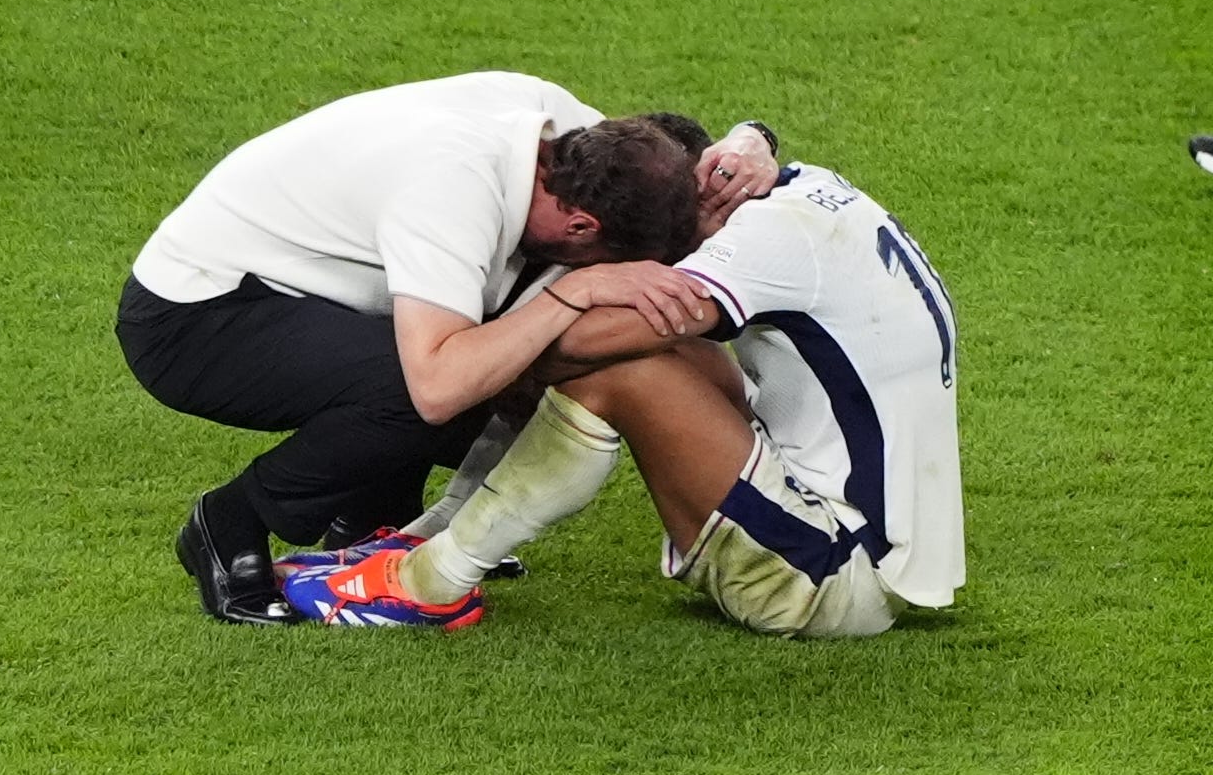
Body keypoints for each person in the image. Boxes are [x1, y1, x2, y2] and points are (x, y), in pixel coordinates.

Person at [116, 74, 780, 625]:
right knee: (428, 387)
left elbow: (692, 161)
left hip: (307, 288)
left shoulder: (589, 146)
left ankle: (372, 527)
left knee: (514, 356)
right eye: (612, 257)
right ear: (581, 226)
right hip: (199, 313)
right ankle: (229, 522)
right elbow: (436, 384)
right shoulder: (453, 191)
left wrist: (755, 142)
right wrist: (573, 295)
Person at [283, 113, 965, 637]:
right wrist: (754, 133)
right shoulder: (806, 192)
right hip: (865, 553)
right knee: (650, 350)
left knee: (615, 366)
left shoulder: (758, 242)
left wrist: (553, 302)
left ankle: (428, 581)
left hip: (826, 579)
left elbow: (552, 351)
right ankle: (428, 538)